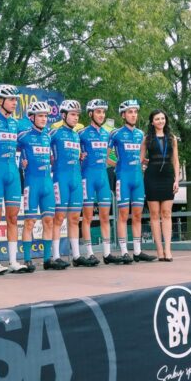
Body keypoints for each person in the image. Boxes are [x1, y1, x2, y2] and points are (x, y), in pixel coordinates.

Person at [0, 84, 27, 274]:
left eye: (16, 100)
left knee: (13, 217)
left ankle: (13, 261)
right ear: (0, 101)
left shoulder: (16, 124)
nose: (14, 103)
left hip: (13, 172)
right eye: (11, 99)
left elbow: (26, 144)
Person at [108, 100, 155, 263]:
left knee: (137, 215)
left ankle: (137, 251)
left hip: (138, 179)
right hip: (123, 178)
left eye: (135, 112)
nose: (134, 115)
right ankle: (124, 252)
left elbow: (140, 156)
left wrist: (143, 161)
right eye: (130, 112)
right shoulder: (115, 134)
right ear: (123, 115)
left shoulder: (141, 134)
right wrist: (118, 165)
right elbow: (106, 156)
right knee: (123, 215)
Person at [18, 100, 62, 270]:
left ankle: (47, 259)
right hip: (32, 183)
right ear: (32, 117)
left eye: (45, 116)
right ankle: (27, 259)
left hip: (47, 184)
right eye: (40, 116)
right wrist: (21, 162)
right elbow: (8, 150)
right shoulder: (23, 136)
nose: (44, 119)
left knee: (49, 221)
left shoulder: (48, 136)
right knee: (30, 221)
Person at [50, 100, 85, 267]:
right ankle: (56, 256)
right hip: (61, 179)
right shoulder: (54, 133)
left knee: (75, 218)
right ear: (63, 115)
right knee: (58, 218)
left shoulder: (76, 135)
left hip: (76, 178)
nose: (76, 118)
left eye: (77, 115)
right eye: (72, 114)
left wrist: (81, 157)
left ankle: (76, 256)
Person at [142, 109, 179, 262]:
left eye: (162, 118)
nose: (160, 121)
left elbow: (175, 160)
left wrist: (177, 180)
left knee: (167, 213)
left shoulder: (172, 138)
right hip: (152, 177)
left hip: (168, 177)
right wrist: (146, 163)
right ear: (152, 122)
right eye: (157, 119)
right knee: (154, 214)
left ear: (166, 120)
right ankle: (159, 250)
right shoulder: (147, 139)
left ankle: (168, 250)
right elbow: (140, 159)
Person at [79, 99, 113, 265]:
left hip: (103, 177)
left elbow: (108, 158)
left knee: (105, 216)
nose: (101, 115)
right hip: (87, 177)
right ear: (91, 113)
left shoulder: (107, 134)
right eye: (98, 112)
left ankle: (107, 253)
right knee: (88, 216)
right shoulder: (82, 133)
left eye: (103, 112)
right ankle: (90, 253)